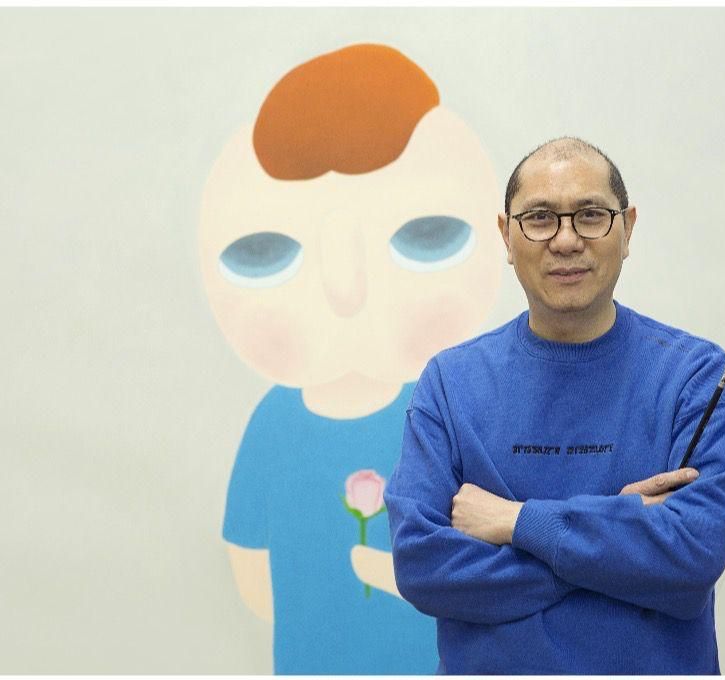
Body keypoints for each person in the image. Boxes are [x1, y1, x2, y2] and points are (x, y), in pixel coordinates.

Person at [384, 137, 725, 674]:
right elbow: (423, 566)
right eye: (539, 218)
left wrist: (515, 521)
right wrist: (618, 533)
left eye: (590, 215)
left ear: (628, 228)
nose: (566, 240)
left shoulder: (697, 378)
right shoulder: (450, 383)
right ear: (506, 236)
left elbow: (691, 557)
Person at [199, 44, 504, 673]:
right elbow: (251, 573)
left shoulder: (443, 412)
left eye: (427, 236)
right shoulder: (275, 424)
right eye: (265, 252)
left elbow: (493, 552)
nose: (348, 294)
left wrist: (395, 581)